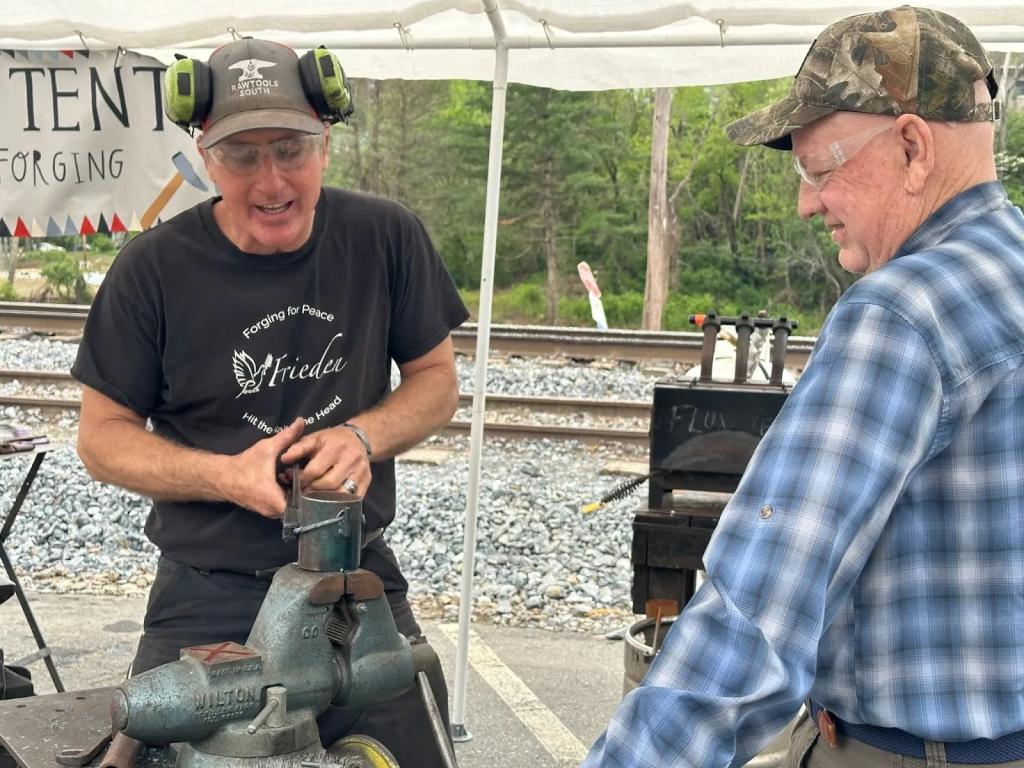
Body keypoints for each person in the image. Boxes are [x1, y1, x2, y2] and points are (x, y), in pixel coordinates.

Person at [584, 7, 1024, 768]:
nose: (805, 203)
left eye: (821, 170)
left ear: (914, 147)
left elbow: (753, 622)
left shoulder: (900, 314)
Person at [71, 37, 468, 766]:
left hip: (355, 584)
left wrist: (361, 436)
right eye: (241, 154)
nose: (270, 179)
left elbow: (437, 382)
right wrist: (222, 475)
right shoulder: (152, 270)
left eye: (290, 148)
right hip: (208, 593)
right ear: (202, 152)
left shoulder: (386, 238)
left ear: (326, 142)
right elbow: (100, 437)